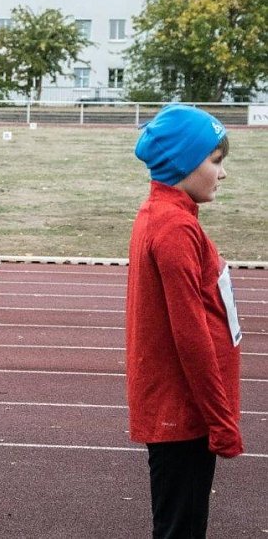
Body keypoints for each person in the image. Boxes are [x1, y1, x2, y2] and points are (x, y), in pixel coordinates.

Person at [126, 104, 243, 538]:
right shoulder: (174, 227)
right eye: (215, 161)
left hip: (184, 407)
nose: (223, 173)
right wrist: (221, 420)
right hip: (184, 411)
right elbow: (190, 335)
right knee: (181, 529)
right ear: (183, 162)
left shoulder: (172, 218)